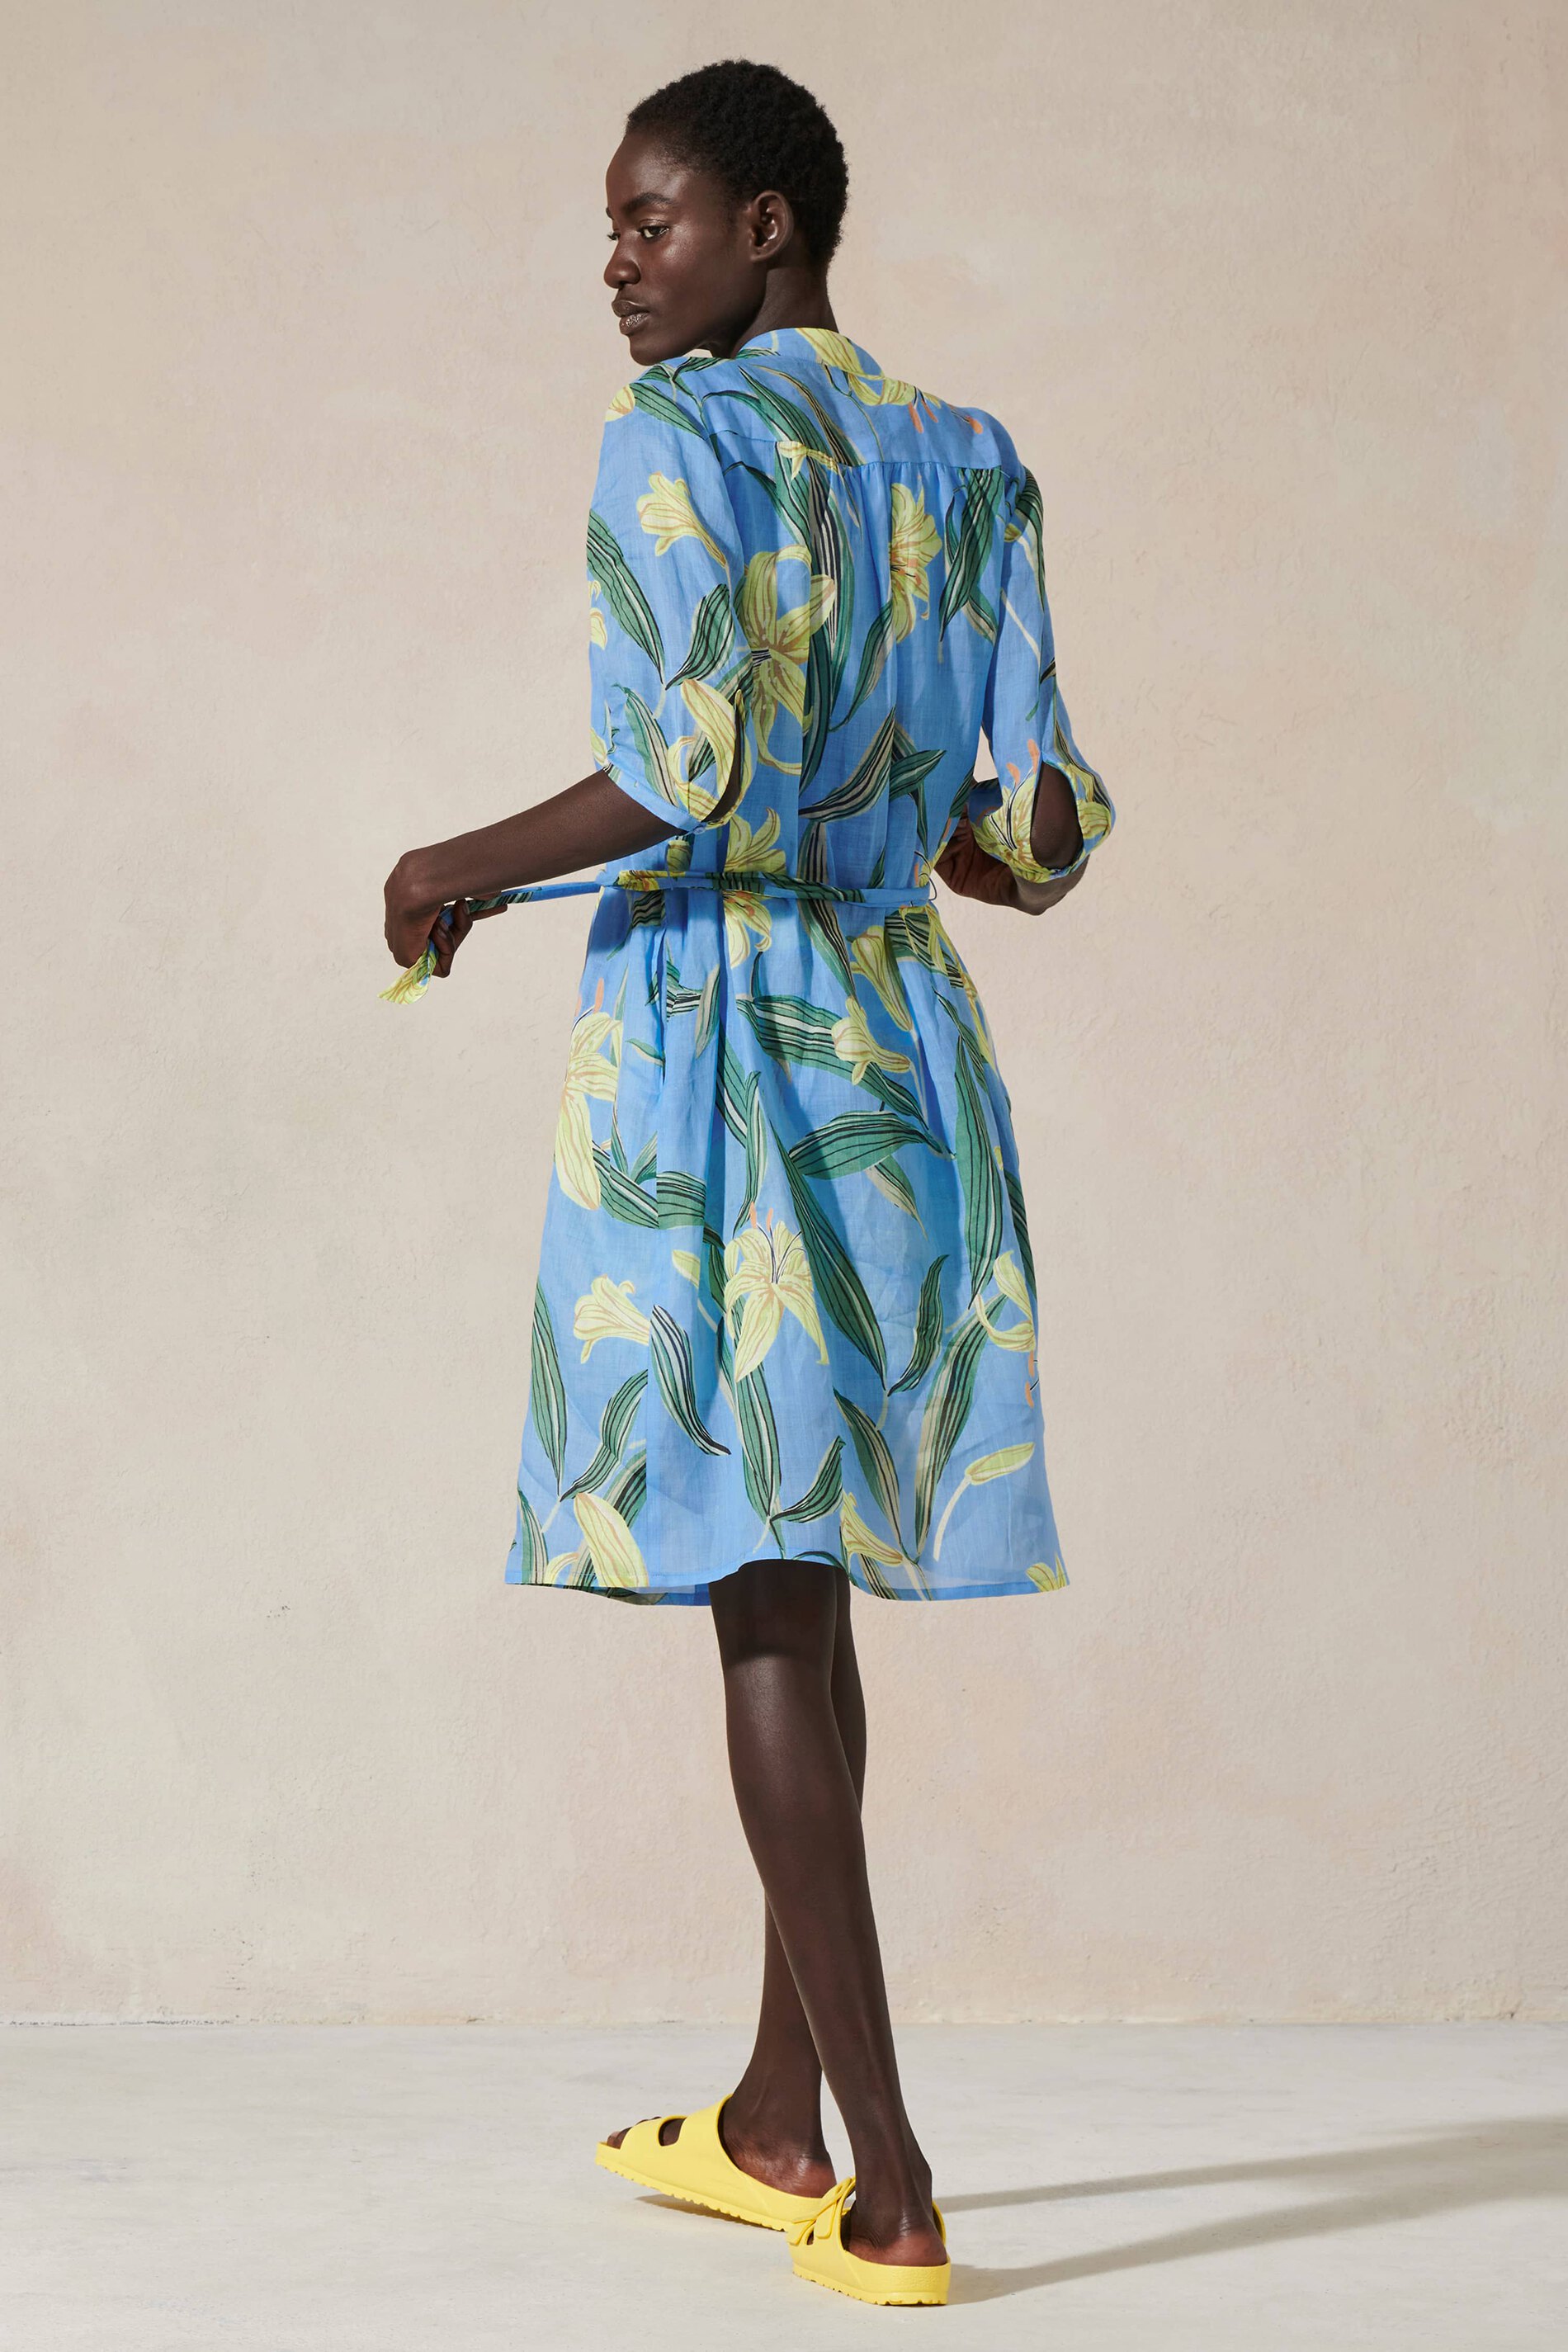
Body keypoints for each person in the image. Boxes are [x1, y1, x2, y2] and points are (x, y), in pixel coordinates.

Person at [382, 57, 1113, 2311]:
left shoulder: (680, 438)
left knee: (762, 1599)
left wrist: (448, 867)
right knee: (804, 1581)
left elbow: (679, 767)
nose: (617, 265)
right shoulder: (968, 455)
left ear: (767, 225)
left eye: (652, 219)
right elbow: (1037, 834)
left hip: (721, 1050)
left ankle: (886, 2182)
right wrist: (910, 826)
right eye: (612, 228)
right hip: (897, 1049)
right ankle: (770, 2112)